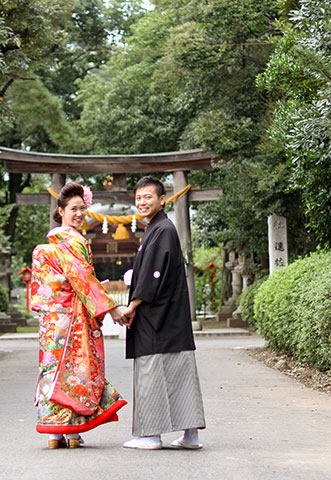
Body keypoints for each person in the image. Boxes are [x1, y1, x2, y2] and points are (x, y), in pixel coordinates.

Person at [31, 182, 128, 449]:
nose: (79, 214)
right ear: (60, 211)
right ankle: (72, 431)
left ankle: (54, 432)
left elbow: (41, 291)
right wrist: (111, 308)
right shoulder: (74, 240)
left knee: (52, 369)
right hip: (73, 319)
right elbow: (84, 278)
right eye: (74, 209)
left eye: (82, 209)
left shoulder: (45, 248)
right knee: (76, 370)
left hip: (51, 321)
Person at [122, 176, 206, 450]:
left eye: (148, 197)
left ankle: (151, 434)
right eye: (138, 198)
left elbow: (151, 276)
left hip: (156, 318)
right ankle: (191, 435)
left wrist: (133, 305)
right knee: (181, 373)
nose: (142, 202)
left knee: (152, 373)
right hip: (171, 317)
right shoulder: (158, 229)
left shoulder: (162, 230)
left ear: (162, 200)